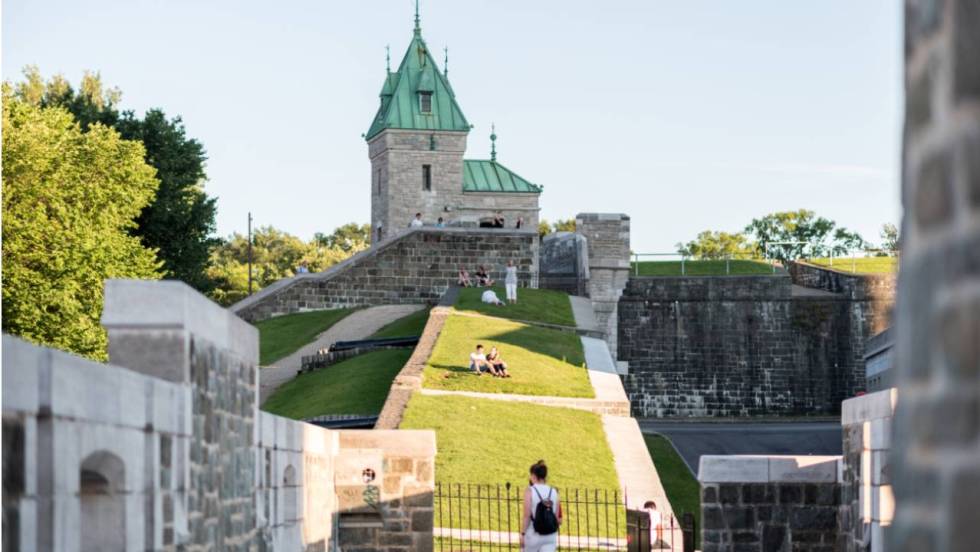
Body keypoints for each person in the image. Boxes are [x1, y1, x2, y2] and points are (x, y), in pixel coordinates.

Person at [521, 460, 561, 552]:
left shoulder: (530, 491)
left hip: (533, 534)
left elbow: (527, 515)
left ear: (533, 476)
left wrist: (523, 533)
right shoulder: (554, 491)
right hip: (550, 536)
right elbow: (556, 517)